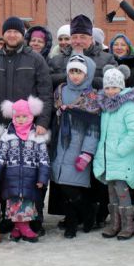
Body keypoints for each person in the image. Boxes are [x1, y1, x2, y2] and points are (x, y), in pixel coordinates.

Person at [0, 16, 54, 232]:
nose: (12, 35)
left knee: (32, 172)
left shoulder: (35, 59)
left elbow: (46, 93)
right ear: (2, 34)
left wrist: (43, 122)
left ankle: (35, 216)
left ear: (23, 34)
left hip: (30, 128)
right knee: (5, 171)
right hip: (3, 129)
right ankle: (9, 216)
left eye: (16, 31)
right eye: (8, 31)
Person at [50, 55, 101, 238]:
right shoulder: (60, 91)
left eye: (79, 72)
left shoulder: (91, 96)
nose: (75, 76)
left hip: (77, 147)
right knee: (63, 187)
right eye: (72, 71)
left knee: (73, 187)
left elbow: (93, 127)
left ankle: (87, 212)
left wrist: (87, 152)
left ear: (87, 74)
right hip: (59, 146)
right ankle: (73, 221)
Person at [0, 96, 50, 242]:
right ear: (13, 117)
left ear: (31, 116)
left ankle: (18, 229)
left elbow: (43, 159)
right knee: (15, 204)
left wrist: (42, 178)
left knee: (27, 204)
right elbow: (0, 157)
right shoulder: (7, 135)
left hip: (30, 179)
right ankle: (24, 229)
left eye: (25, 116)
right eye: (18, 116)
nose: (21, 119)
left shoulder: (36, 136)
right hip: (11, 178)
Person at [92, 67, 134, 240]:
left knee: (122, 193)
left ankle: (128, 225)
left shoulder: (128, 106)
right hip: (107, 159)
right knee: (111, 194)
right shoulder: (105, 108)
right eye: (107, 88)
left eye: (114, 87)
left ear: (121, 88)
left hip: (121, 158)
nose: (110, 91)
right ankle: (115, 223)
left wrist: (121, 149)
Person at [49, 14, 118, 89]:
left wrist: (86, 79)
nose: (78, 41)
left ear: (91, 40)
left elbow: (115, 82)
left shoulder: (107, 59)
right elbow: (47, 81)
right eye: (74, 37)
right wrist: (68, 77)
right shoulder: (56, 60)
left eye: (83, 37)